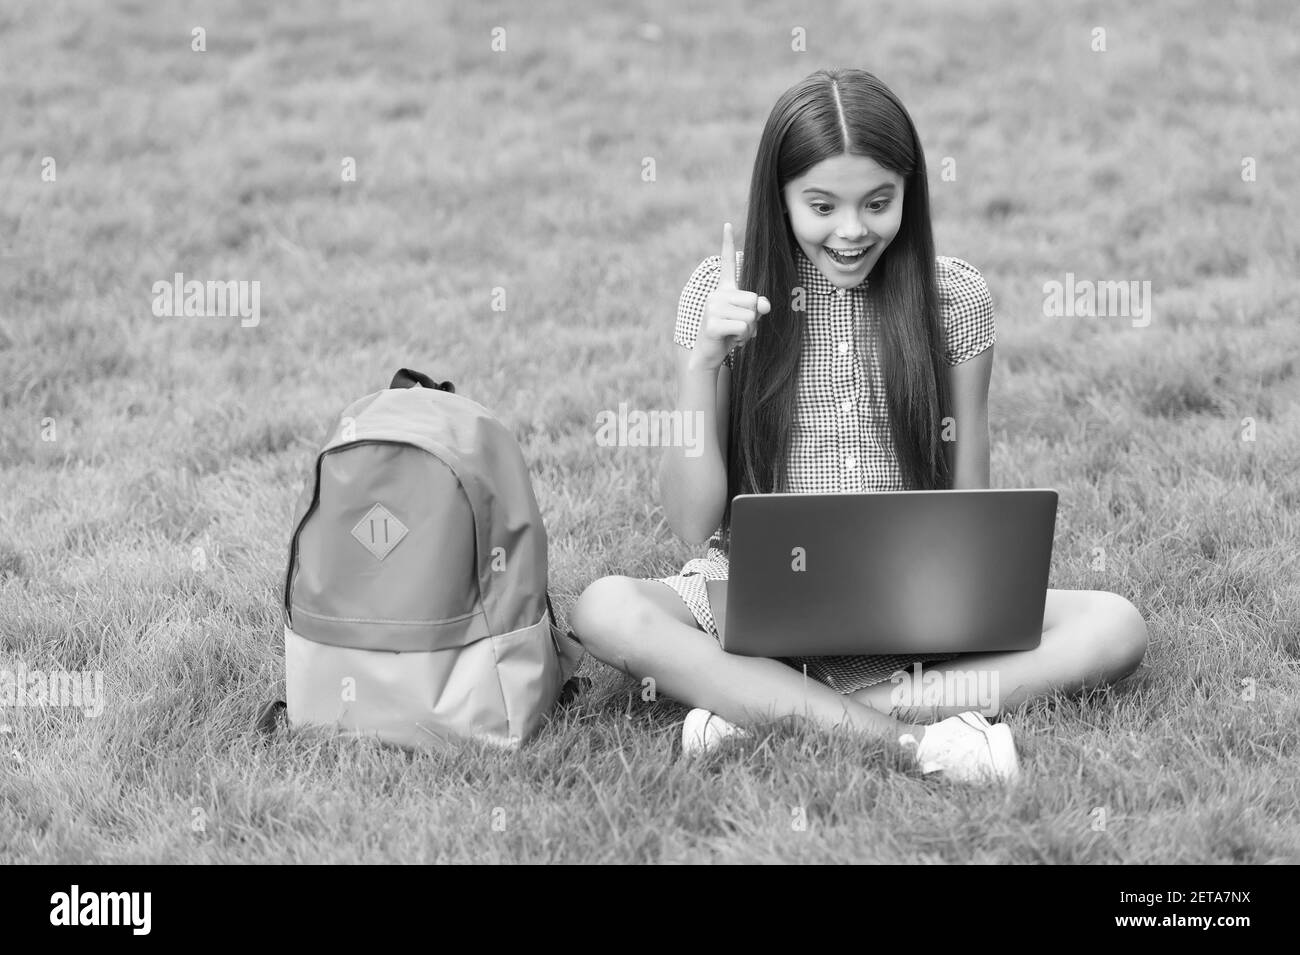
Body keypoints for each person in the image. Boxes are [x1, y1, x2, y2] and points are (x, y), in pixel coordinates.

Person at [570, 68, 1148, 784]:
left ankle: (758, 709)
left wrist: (959, 599)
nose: (851, 231)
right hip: (748, 594)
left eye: (878, 202)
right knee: (607, 608)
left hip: (911, 599)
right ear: (778, 199)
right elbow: (692, 522)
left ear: (910, 191)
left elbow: (969, 497)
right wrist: (703, 365)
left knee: (1115, 625)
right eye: (821, 205)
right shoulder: (719, 297)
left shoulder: (955, 298)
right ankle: (911, 739)